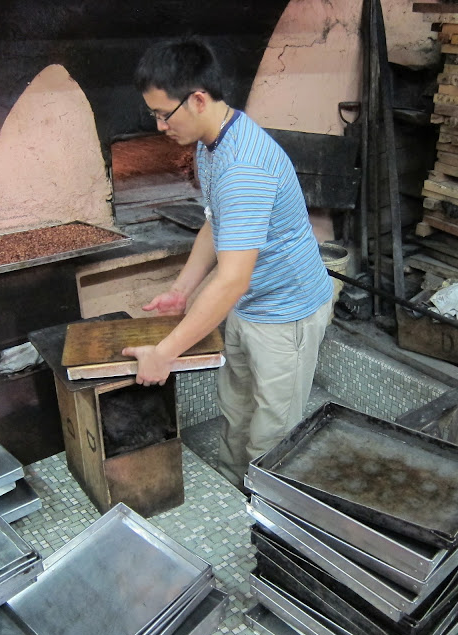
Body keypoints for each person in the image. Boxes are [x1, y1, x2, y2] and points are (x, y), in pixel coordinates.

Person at [123, 38, 333, 489]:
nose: (159, 125)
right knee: (236, 412)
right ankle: (233, 492)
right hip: (249, 303)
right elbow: (215, 223)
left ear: (198, 99)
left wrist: (165, 353)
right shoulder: (212, 141)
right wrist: (181, 290)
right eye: (154, 114)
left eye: (164, 114)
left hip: (286, 313)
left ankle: (265, 510)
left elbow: (232, 279)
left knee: (272, 434)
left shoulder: (243, 167)